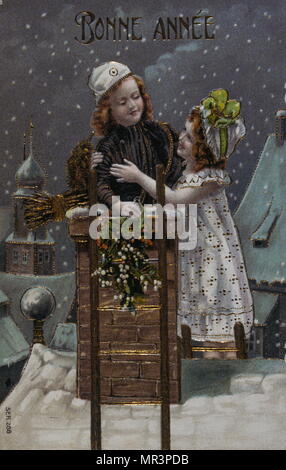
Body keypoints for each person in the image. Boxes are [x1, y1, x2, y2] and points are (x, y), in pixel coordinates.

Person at [110, 89, 254, 358]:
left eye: (190, 137)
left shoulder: (210, 178)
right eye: (184, 133)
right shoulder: (188, 173)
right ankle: (207, 368)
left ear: (206, 149)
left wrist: (139, 177)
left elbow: (175, 200)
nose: (182, 139)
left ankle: (222, 369)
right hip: (194, 254)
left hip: (211, 258)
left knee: (214, 317)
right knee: (198, 315)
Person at [24, 61, 183, 228]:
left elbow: (176, 167)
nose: (132, 105)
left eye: (136, 97)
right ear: (109, 111)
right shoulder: (108, 146)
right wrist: (116, 204)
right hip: (126, 222)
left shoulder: (160, 133)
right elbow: (101, 183)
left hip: (164, 217)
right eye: (122, 102)